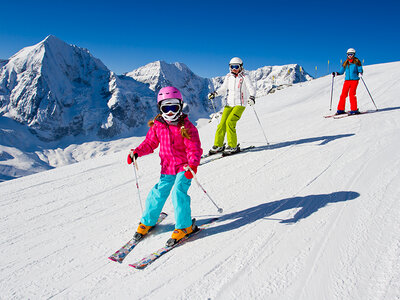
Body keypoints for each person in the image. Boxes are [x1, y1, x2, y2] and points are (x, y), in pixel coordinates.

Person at [127, 86, 203, 246]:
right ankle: (147, 221)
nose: (170, 112)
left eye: (173, 107)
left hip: (185, 168)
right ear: (159, 108)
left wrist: (193, 165)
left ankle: (185, 227)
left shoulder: (187, 127)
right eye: (165, 108)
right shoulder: (158, 125)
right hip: (167, 167)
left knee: (178, 192)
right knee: (158, 192)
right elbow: (150, 143)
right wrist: (137, 152)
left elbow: (194, 148)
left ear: (180, 106)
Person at [208, 57, 256, 155]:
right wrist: (215, 93)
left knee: (230, 122)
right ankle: (219, 145)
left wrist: (252, 97)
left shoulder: (245, 76)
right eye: (232, 67)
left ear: (241, 67)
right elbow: (223, 88)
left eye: (236, 66)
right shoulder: (228, 76)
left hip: (240, 104)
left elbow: (251, 88)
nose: (234, 69)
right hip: (229, 104)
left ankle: (232, 146)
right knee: (222, 124)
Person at [332, 48, 364, 115]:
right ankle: (340, 109)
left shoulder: (357, 62)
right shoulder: (345, 63)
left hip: (354, 80)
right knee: (343, 95)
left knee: (351, 94)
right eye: (348, 54)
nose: (350, 56)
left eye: (351, 54)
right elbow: (341, 71)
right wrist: (336, 73)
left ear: (354, 54)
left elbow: (360, 69)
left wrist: (360, 73)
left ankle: (354, 109)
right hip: (347, 81)